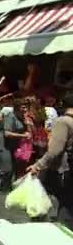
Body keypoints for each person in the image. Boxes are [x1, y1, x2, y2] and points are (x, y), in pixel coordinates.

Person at [27, 94, 73, 230]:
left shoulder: (63, 121)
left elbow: (55, 150)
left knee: (39, 199)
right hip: (69, 170)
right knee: (68, 204)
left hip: (60, 170)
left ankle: (39, 231)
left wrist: (38, 165)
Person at [0, 99, 31, 193]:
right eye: (23, 107)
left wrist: (27, 123)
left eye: (26, 107)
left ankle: (5, 187)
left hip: (13, 146)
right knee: (6, 168)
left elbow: (28, 132)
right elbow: (7, 133)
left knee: (11, 168)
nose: (25, 109)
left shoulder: (23, 117)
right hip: (3, 145)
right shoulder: (10, 116)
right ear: (17, 107)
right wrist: (22, 136)